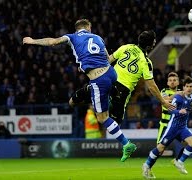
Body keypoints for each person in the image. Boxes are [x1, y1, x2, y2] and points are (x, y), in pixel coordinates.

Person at [22, 19, 136, 162]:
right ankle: (112, 95)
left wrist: (33, 41)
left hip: (99, 80)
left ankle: (126, 144)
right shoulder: (97, 37)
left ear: (77, 29)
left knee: (102, 118)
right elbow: (107, 58)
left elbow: (52, 42)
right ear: (88, 28)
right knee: (97, 97)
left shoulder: (72, 37)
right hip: (111, 73)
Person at [69, 30, 175, 125]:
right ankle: (101, 103)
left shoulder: (126, 47)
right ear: (148, 47)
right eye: (154, 42)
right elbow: (151, 86)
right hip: (121, 92)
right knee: (113, 124)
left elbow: (107, 61)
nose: (154, 43)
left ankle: (94, 97)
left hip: (107, 81)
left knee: (72, 102)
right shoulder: (146, 62)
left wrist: (89, 65)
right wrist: (163, 102)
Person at [142, 76, 192, 179]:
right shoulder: (177, 96)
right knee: (160, 148)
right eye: (187, 86)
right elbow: (170, 109)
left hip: (183, 127)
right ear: (183, 87)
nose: (189, 88)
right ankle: (147, 165)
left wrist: (190, 108)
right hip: (172, 127)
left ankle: (179, 162)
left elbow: (190, 107)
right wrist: (178, 111)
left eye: (191, 86)